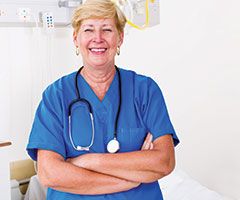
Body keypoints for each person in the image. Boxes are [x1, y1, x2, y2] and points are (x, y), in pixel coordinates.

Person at [26, 0, 180, 199]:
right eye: (88, 30)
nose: (97, 39)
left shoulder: (145, 90)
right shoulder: (56, 96)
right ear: (76, 39)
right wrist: (131, 179)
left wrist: (89, 161)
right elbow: (49, 173)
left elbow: (164, 161)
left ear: (120, 38)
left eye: (107, 30)